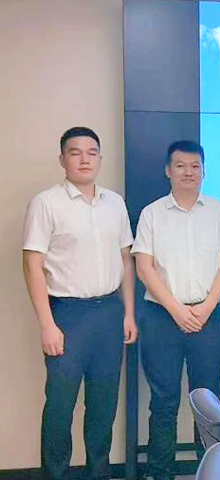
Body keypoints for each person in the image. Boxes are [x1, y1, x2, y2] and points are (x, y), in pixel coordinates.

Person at [23, 126, 137, 480]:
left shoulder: (115, 203)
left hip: (109, 312)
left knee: (103, 403)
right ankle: (55, 474)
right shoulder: (46, 203)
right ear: (63, 160)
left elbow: (126, 260)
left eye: (92, 152)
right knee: (60, 405)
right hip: (67, 314)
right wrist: (47, 324)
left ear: (100, 158)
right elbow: (32, 263)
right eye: (75, 152)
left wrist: (129, 313)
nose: (84, 159)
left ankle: (98, 473)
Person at [132, 140, 220, 480]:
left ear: (204, 171)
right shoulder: (151, 213)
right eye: (180, 166)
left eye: (195, 166)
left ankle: (208, 472)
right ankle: (161, 473)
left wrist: (206, 308)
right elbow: (144, 267)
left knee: (207, 401)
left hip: (208, 316)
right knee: (163, 401)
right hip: (162, 317)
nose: (188, 172)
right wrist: (177, 310)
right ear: (168, 171)